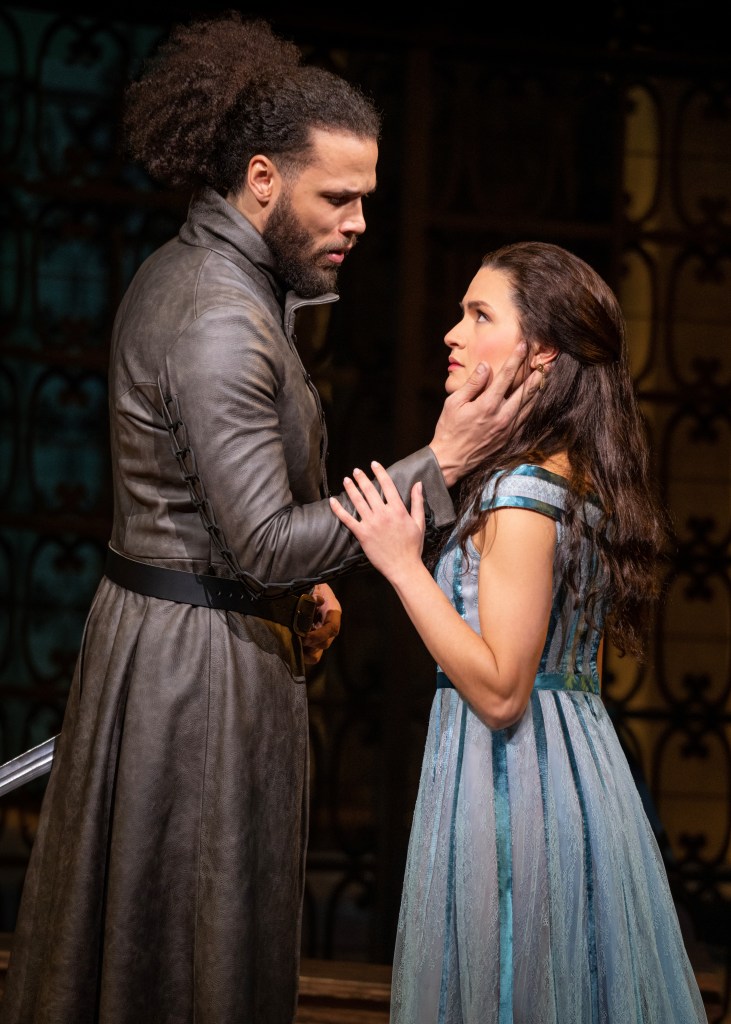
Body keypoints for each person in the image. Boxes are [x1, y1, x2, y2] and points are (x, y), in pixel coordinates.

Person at [0, 14, 543, 1024]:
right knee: (188, 960)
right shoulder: (217, 315)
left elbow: (236, 528)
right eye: (335, 197)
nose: (357, 222)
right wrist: (447, 459)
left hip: (184, 643)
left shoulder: (219, 283)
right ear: (260, 181)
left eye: (365, 199)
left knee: (164, 945)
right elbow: (258, 542)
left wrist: (295, 585)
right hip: (193, 676)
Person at [330, 241, 709, 1023]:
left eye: (478, 315)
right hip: (566, 773)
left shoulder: (524, 491)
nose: (451, 334)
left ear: (538, 355)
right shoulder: (559, 473)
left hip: (513, 784)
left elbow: (503, 691)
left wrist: (402, 566)